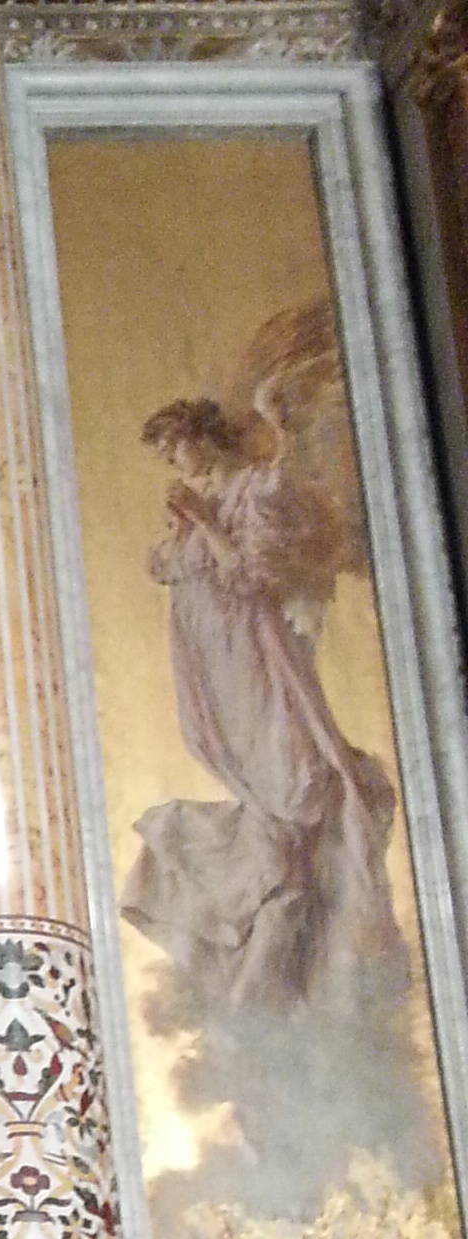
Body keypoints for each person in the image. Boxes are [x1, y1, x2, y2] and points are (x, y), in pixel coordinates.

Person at [122, 391, 405, 1017]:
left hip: (254, 661)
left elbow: (254, 581)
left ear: (201, 435)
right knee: (263, 794)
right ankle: (280, 938)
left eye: (174, 447)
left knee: (288, 785)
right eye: (165, 454)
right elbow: (166, 568)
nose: (173, 462)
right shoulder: (203, 503)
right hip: (212, 672)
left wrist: (205, 522)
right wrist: (188, 525)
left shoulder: (256, 490)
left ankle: (298, 947)